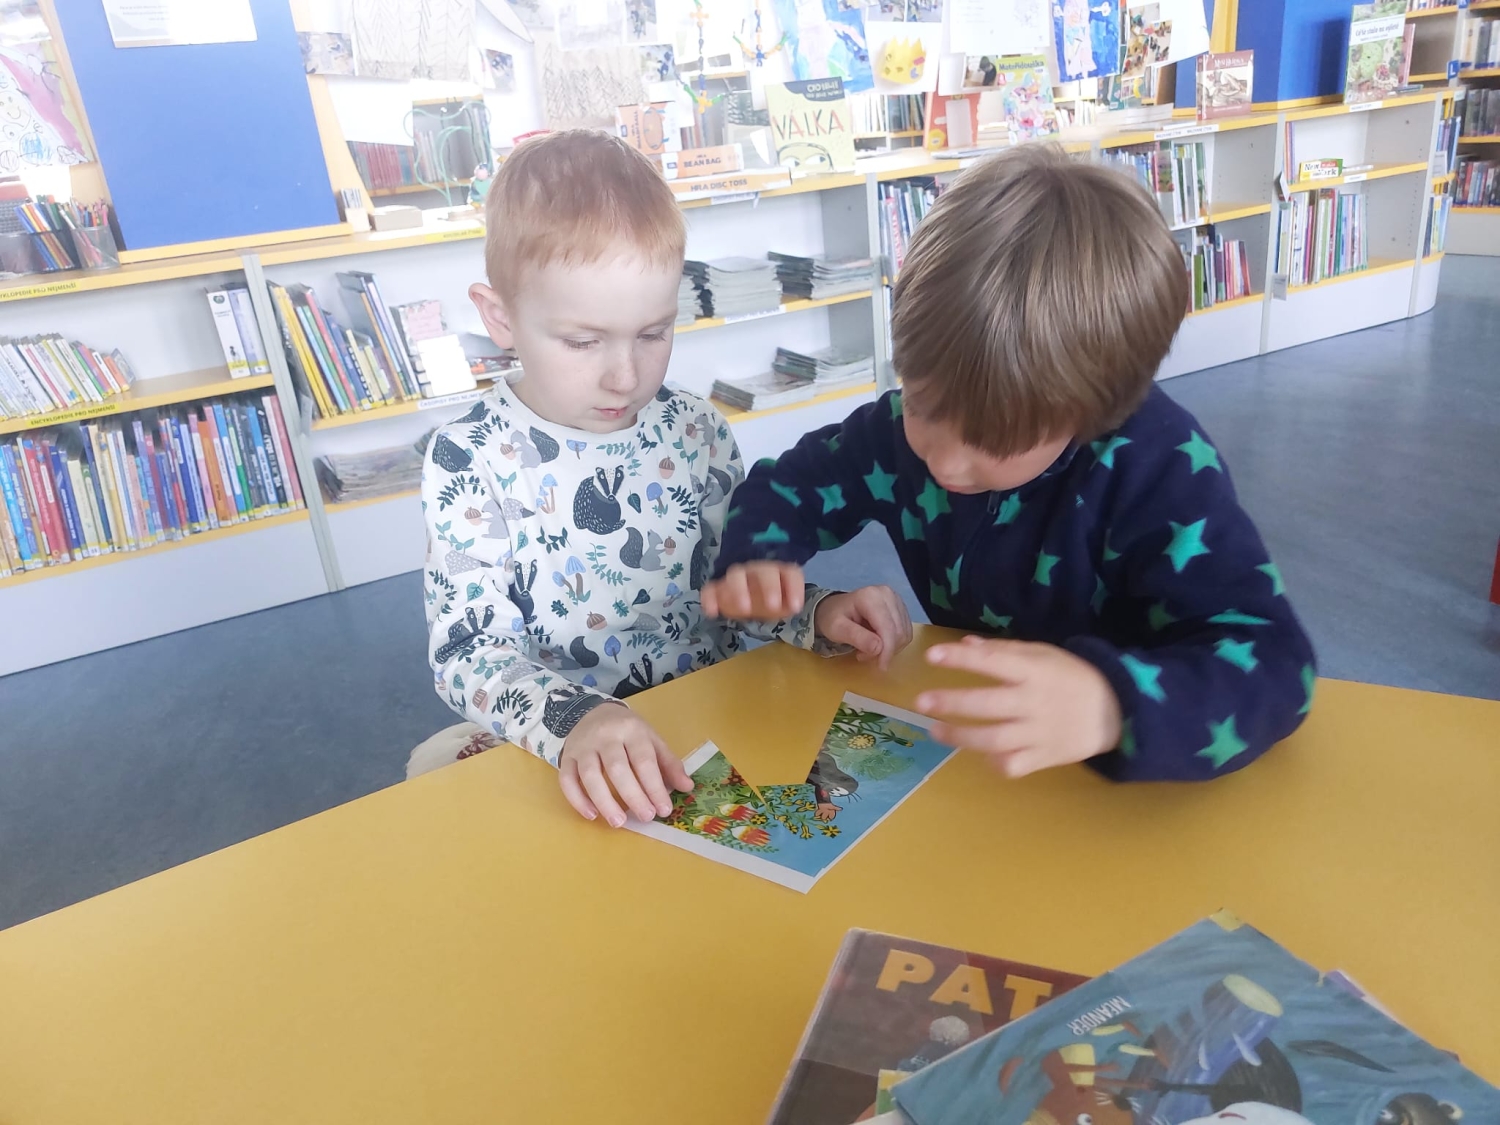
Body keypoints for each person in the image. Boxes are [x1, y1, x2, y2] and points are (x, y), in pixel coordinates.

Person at [703, 144, 1317, 783]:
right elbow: (792, 485)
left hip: (1125, 784)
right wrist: (759, 556)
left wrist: (1111, 706)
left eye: (993, 442)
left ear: (1090, 413)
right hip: (989, 762)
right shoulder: (896, 433)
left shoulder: (1158, 471)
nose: (944, 461)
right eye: (923, 405)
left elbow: (1276, 663)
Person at [418, 131, 911, 825]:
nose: (626, 376)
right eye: (583, 341)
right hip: (563, 745)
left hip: (703, 726)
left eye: (653, 333)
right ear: (500, 318)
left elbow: (733, 588)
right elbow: (469, 652)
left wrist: (816, 612)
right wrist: (579, 720)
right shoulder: (468, 458)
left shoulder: (696, 429)